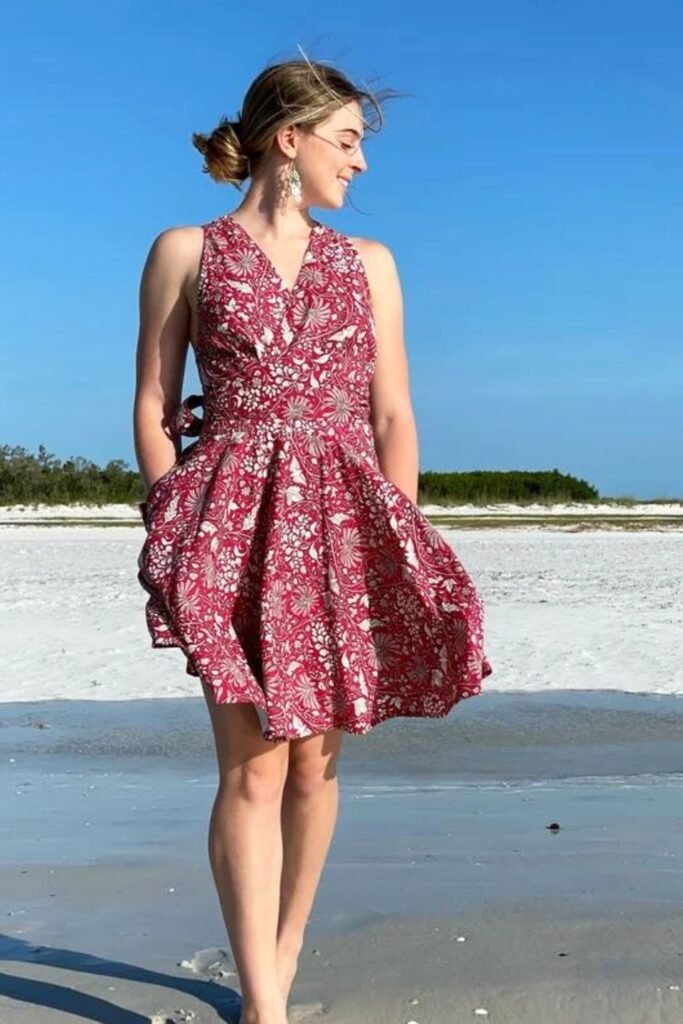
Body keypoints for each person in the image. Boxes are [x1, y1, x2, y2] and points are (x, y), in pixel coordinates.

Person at [133, 55, 492, 1024]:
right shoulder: (185, 251)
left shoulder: (369, 263)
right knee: (250, 764)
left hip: (341, 528)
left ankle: (281, 955)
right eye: (348, 140)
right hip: (227, 532)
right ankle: (265, 1003)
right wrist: (173, 525)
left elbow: (393, 417)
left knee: (313, 763)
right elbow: (154, 405)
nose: (361, 164)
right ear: (286, 141)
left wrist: (396, 535)